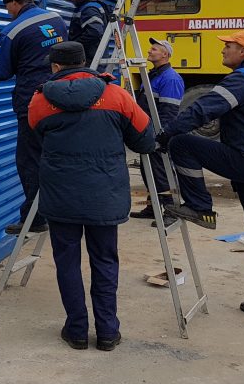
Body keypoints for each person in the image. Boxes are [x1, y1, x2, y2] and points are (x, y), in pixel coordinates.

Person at [28, 40, 155, 351]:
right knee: (105, 260)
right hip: (104, 196)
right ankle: (108, 331)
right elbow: (145, 140)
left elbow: (36, 136)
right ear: (85, 62)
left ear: (55, 67)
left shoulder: (40, 100)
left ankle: (76, 331)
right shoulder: (117, 95)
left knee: (67, 263)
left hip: (61, 196)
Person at [159, 31, 244, 324]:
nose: (223, 51)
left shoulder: (242, 79)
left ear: (243, 52)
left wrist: (166, 133)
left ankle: (199, 207)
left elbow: (204, 109)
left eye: (228, 46)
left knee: (181, 144)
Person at [0, 0, 68, 234]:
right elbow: (42, 56)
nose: (7, 11)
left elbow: (3, 72)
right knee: (54, 156)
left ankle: (35, 219)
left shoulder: (12, 31)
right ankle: (59, 209)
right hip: (61, 96)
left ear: (14, 2)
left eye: (7, 6)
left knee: (29, 160)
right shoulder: (56, 19)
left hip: (32, 102)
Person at [130, 38, 185, 226]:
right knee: (149, 171)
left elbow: (169, 112)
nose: (149, 51)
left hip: (158, 134)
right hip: (148, 131)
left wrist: (161, 137)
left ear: (165, 54)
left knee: (161, 173)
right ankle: (153, 208)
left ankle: (172, 211)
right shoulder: (154, 75)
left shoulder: (170, 78)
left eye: (154, 49)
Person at [66, 0, 109, 67]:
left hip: (90, 62)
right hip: (94, 60)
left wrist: (73, 47)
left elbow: (94, 32)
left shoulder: (89, 8)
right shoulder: (91, 6)